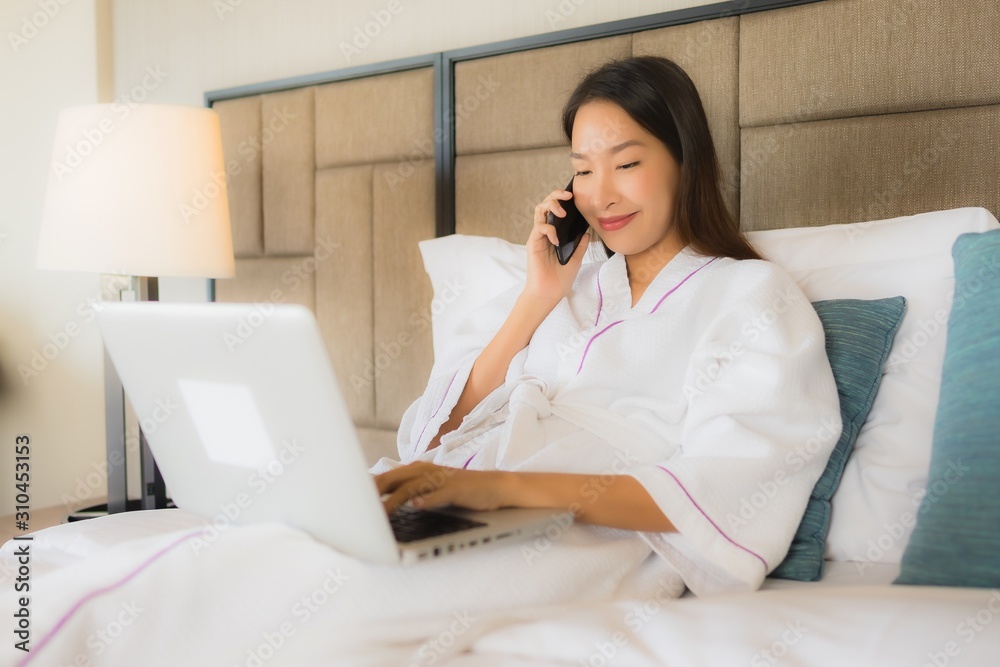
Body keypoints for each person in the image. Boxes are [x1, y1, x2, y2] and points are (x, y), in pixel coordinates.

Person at [371, 56, 841, 595]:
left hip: (577, 528)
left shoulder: (751, 293)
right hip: (453, 497)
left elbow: (734, 482)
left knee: (356, 598)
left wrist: (502, 490)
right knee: (285, 548)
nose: (601, 195)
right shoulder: (558, 288)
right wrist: (536, 298)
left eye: (625, 164)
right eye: (585, 169)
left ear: (685, 160)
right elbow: (430, 435)